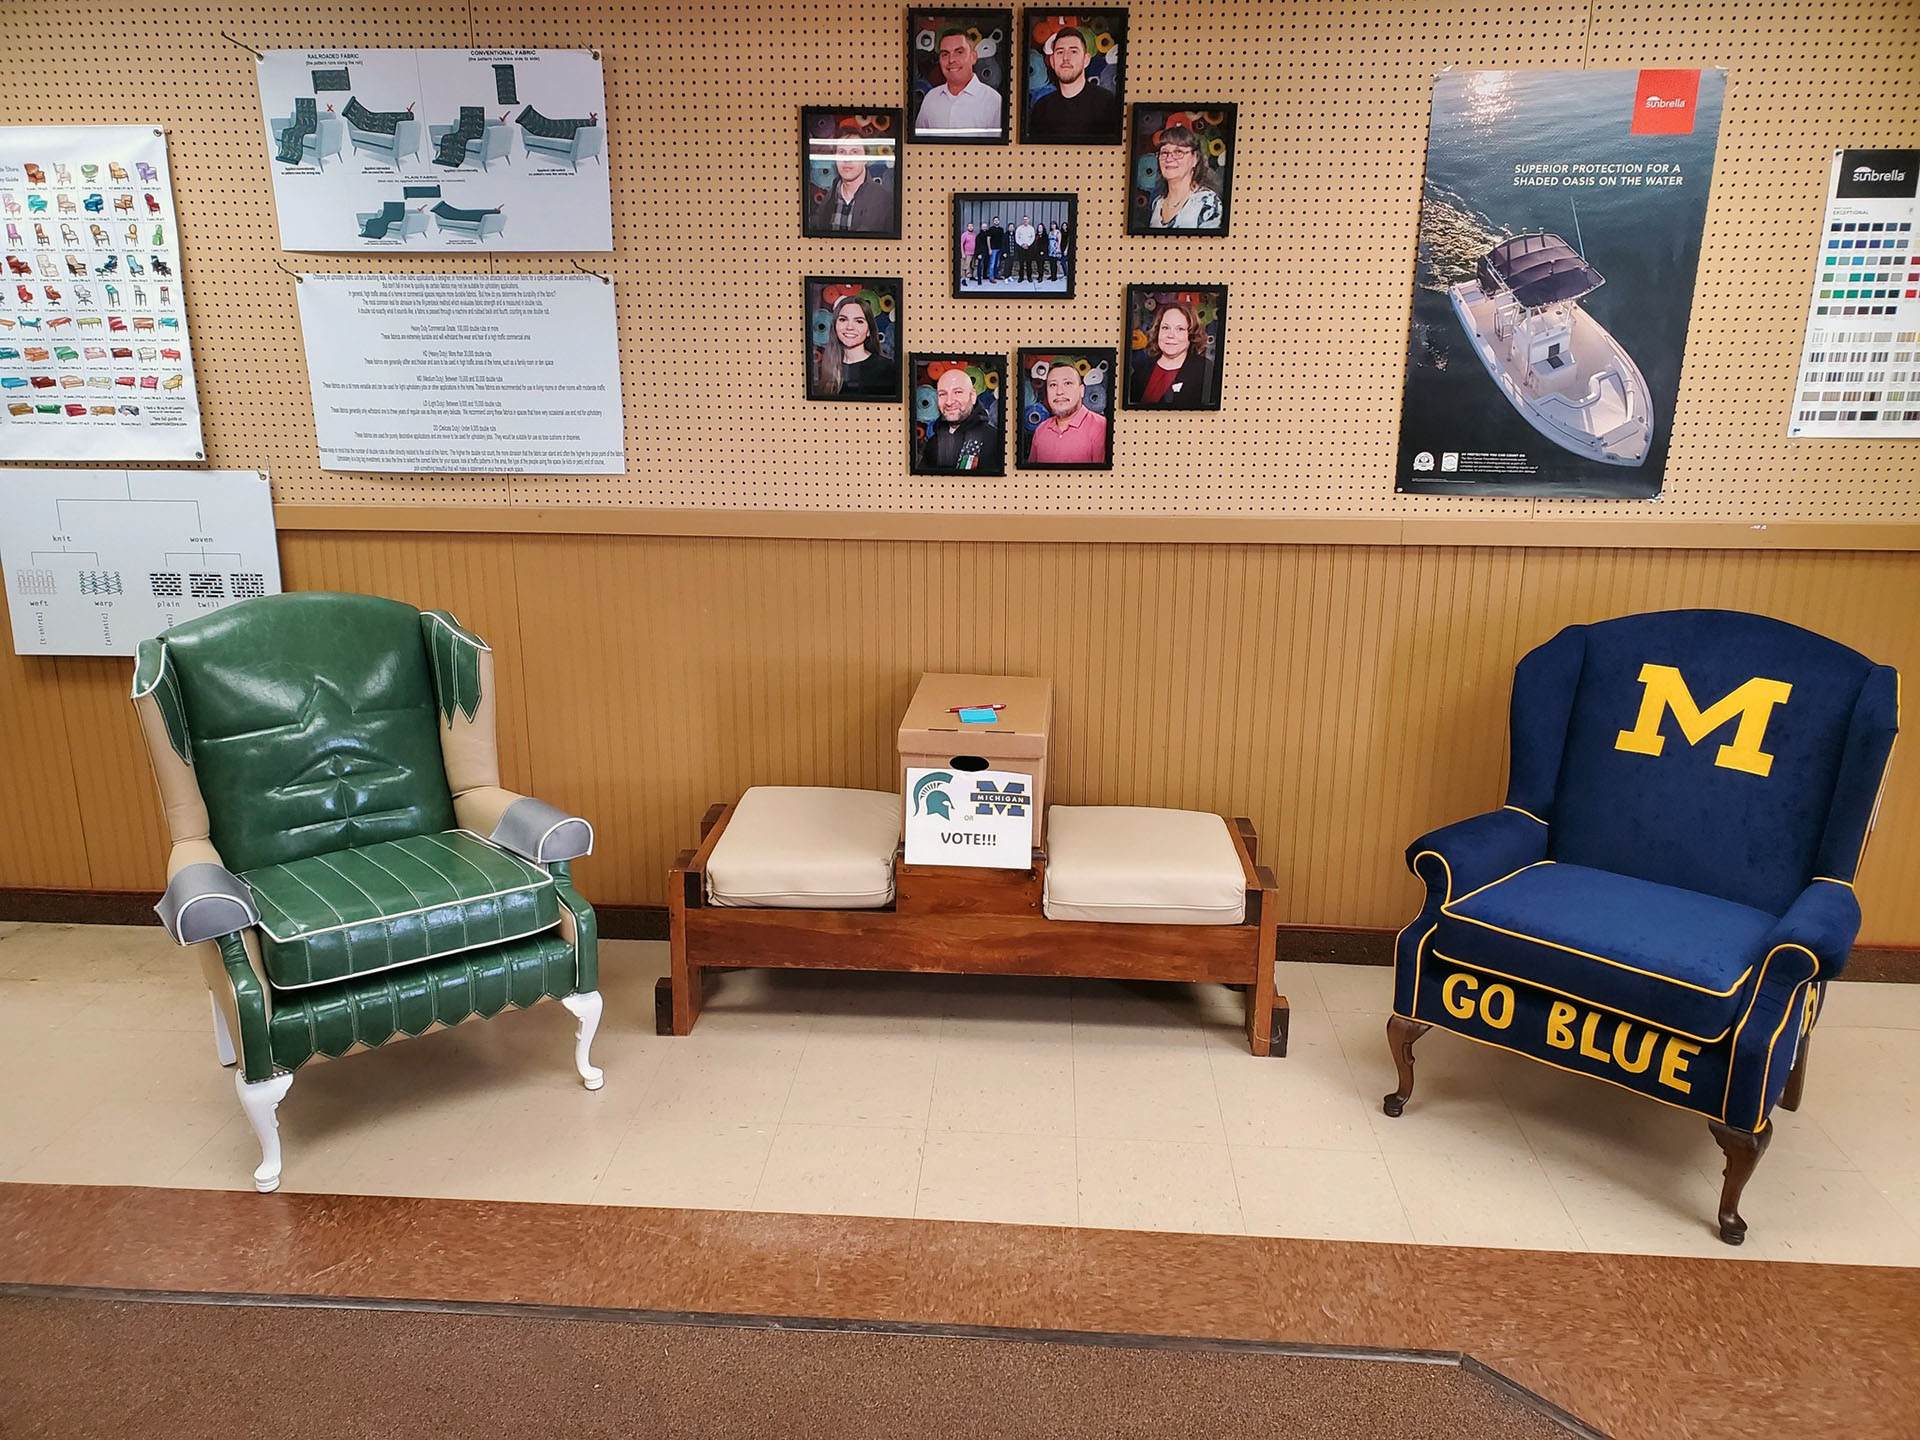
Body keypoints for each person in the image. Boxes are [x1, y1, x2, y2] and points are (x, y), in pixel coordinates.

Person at [1024, 26, 1121, 143]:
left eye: (1073, 51)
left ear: (1086, 60)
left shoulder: (1108, 103)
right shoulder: (1041, 108)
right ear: (1052, 61)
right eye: (1060, 52)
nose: (1066, 58)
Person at [914, 29, 1003, 138]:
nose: (951, 60)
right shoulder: (930, 99)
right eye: (945, 54)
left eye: (959, 52)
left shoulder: (994, 101)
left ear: (973, 57)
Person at [1128, 297, 1213, 407]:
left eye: (1180, 329)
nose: (1171, 335)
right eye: (1165, 328)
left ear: (1191, 334)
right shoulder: (1142, 368)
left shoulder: (1205, 369)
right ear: (1158, 331)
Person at [808, 135, 895, 233]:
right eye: (842, 152)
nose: (847, 159)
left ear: (866, 159)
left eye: (854, 152)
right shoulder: (826, 201)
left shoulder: (885, 201)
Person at [1144, 125, 1224, 230]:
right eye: (1164, 152)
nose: (1169, 159)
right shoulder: (1157, 204)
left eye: (1178, 152)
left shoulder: (1208, 204)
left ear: (1195, 158)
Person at [816, 295, 896, 398]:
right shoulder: (825, 366)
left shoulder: (887, 368)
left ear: (869, 330)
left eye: (859, 321)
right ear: (835, 326)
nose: (850, 327)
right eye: (843, 320)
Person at [1027, 362, 1108, 463]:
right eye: (1053, 385)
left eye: (1068, 383)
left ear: (1082, 391)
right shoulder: (1041, 430)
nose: (1059, 392)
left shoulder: (1102, 427)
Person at [920, 367, 998, 471]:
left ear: (973, 396)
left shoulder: (994, 440)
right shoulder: (933, 443)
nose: (949, 402)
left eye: (957, 392)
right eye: (942, 394)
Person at [1013, 213, 1037, 282]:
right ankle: (1021, 277)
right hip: (1021, 248)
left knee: (1029, 263)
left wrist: (1028, 244)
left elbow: (1033, 237)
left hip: (1029, 248)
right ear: (1022, 221)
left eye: (1026, 219)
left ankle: (1029, 277)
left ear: (1028, 220)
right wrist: (1022, 244)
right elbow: (1017, 238)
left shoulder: (1031, 228)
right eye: (1024, 219)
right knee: (1021, 263)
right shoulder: (1019, 228)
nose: (1025, 221)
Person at [982, 215, 1006, 282]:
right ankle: (991, 277)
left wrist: (1003, 249)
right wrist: (989, 249)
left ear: (999, 221)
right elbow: (988, 239)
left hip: (999, 249)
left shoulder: (1001, 229)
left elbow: (1002, 239)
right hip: (993, 249)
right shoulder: (991, 229)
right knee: (992, 263)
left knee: (997, 264)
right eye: (995, 220)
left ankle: (996, 275)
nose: (996, 221)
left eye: (997, 220)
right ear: (993, 221)